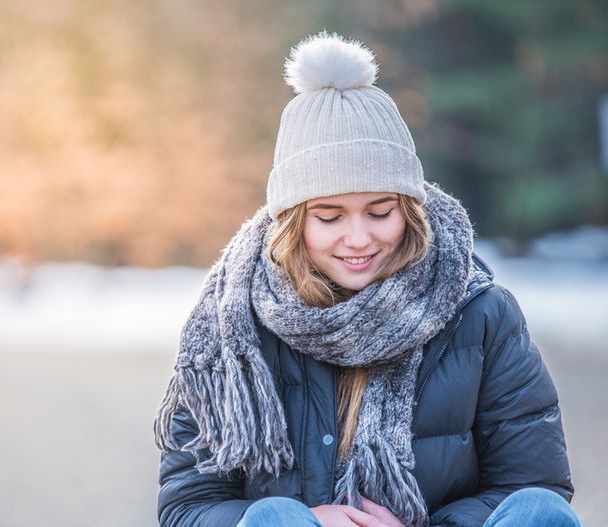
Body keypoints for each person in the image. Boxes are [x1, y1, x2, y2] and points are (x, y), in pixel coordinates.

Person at [154, 32, 579, 527]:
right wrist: (310, 520)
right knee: (273, 518)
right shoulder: (230, 328)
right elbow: (188, 508)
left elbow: (532, 483)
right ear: (292, 222)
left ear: (410, 210)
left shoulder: (482, 313)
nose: (358, 238)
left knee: (540, 513)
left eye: (379, 212)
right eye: (329, 217)